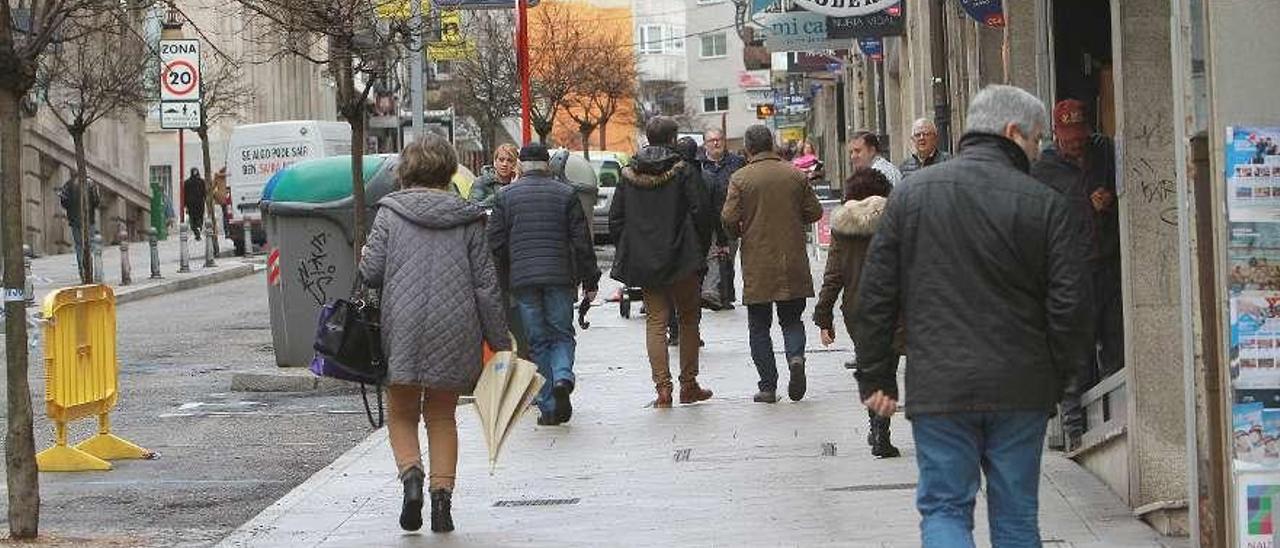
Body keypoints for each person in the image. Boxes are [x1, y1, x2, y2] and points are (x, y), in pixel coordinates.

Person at [852, 85, 1092, 547]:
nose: (1041, 148)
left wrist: (877, 377)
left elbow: (876, 295)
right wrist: (1059, 377)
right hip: (1019, 385)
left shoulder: (913, 196)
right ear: (1012, 132)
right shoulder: (1043, 203)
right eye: (1038, 138)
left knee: (944, 509)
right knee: (1017, 516)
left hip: (940, 385)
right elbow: (1071, 302)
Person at [358, 135, 512, 534]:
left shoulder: (388, 214)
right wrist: (500, 341)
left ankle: (411, 478)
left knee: (402, 412)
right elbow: (486, 286)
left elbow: (370, 273)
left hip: (403, 327)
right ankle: (442, 502)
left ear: (406, 170)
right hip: (456, 327)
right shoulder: (470, 217)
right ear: (448, 170)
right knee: (442, 416)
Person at [488, 142, 601, 426]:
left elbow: (495, 244)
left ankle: (549, 406)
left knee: (537, 341)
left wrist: (500, 282)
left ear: (520, 166)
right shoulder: (566, 193)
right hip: (560, 277)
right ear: (547, 165)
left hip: (523, 280)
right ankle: (563, 375)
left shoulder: (505, 197)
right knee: (562, 333)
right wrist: (590, 279)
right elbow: (581, 242)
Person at [1031, 99, 1122, 449]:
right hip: (1069, 271)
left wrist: (1109, 200)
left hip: (1108, 265)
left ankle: (1115, 419)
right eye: (1069, 138)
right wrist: (1086, 204)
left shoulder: (1104, 152)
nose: (1076, 143)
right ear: (1057, 135)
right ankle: (1074, 431)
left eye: (1080, 136)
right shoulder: (1044, 168)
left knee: (1113, 346)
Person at [610, 119, 715, 407]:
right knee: (689, 319)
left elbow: (615, 219)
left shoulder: (628, 173)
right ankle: (688, 384)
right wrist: (699, 249)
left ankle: (662, 389)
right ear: (672, 139)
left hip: (646, 260)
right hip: (683, 257)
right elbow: (701, 213)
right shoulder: (684, 171)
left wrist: (633, 247)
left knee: (656, 321)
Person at [723, 124, 823, 404]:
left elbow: (729, 218)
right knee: (791, 319)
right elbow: (815, 211)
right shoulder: (794, 174)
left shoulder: (740, 178)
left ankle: (768, 386)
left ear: (748, 148)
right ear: (772, 145)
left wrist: (738, 234)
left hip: (758, 262)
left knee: (759, 326)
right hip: (791, 259)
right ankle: (795, 357)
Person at [812, 167, 901, 458]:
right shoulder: (896, 221)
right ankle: (881, 430)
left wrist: (823, 316)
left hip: (857, 309)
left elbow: (834, 274)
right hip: (893, 305)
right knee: (886, 367)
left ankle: (874, 423)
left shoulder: (842, 227)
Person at [699, 129, 747, 310]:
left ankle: (726, 294)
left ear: (724, 142)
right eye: (711, 141)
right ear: (705, 144)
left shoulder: (736, 162)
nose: (716, 143)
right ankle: (715, 293)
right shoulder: (700, 165)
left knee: (728, 257)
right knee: (713, 256)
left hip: (732, 218)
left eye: (719, 140)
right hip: (709, 219)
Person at [58, 177, 101, 275]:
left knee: (79, 245)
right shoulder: (91, 183)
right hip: (88, 220)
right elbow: (96, 201)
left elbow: (64, 201)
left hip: (74, 220)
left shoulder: (69, 184)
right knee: (90, 244)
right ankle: (89, 268)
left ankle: (82, 269)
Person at [470, 144, 520, 208]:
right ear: (495, 162)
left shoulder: (519, 182)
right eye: (501, 160)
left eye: (509, 161)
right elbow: (473, 208)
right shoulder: (481, 182)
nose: (504, 164)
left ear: (515, 164)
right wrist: (502, 192)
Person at [183, 168, 208, 240]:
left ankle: (197, 232)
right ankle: (198, 230)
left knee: (193, 220)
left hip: (192, 205)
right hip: (199, 204)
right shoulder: (201, 181)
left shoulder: (187, 182)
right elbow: (205, 193)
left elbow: (185, 195)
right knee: (199, 219)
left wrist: (185, 205)